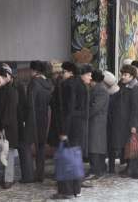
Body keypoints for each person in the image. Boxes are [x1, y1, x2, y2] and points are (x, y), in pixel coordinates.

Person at [52, 63, 91, 200]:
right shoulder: (82, 86)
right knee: (75, 158)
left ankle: (66, 191)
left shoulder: (69, 85)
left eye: (63, 71)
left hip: (70, 127)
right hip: (79, 127)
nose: (62, 74)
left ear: (69, 72)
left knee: (66, 158)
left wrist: (64, 130)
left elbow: (67, 110)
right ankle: (77, 189)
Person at [21, 61, 52, 183]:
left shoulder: (34, 83)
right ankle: (40, 174)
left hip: (32, 118)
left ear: (34, 71)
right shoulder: (48, 84)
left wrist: (25, 121)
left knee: (25, 145)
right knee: (41, 147)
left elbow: (30, 104)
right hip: (43, 118)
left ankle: (29, 176)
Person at [0, 63, 19, 189]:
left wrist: (3, 126)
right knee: (3, 152)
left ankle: (8, 179)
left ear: (4, 78)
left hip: (8, 127)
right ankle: (5, 177)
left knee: (9, 153)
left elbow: (10, 110)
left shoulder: (10, 91)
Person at [110, 65, 138, 178]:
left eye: (125, 75)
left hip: (129, 123)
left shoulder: (135, 88)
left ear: (132, 76)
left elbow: (136, 108)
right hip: (122, 123)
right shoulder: (124, 86)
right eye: (122, 74)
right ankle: (128, 167)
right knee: (125, 145)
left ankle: (131, 168)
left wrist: (134, 124)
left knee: (131, 145)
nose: (123, 77)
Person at [86, 69, 109, 179]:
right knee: (94, 145)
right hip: (95, 122)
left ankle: (97, 169)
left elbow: (95, 107)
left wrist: (84, 114)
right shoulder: (97, 88)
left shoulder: (100, 90)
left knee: (95, 146)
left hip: (97, 122)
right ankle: (96, 168)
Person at [103, 71, 121, 174]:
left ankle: (111, 167)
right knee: (111, 145)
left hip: (111, 123)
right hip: (112, 122)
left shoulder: (112, 96)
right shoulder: (117, 93)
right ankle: (111, 166)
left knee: (111, 145)